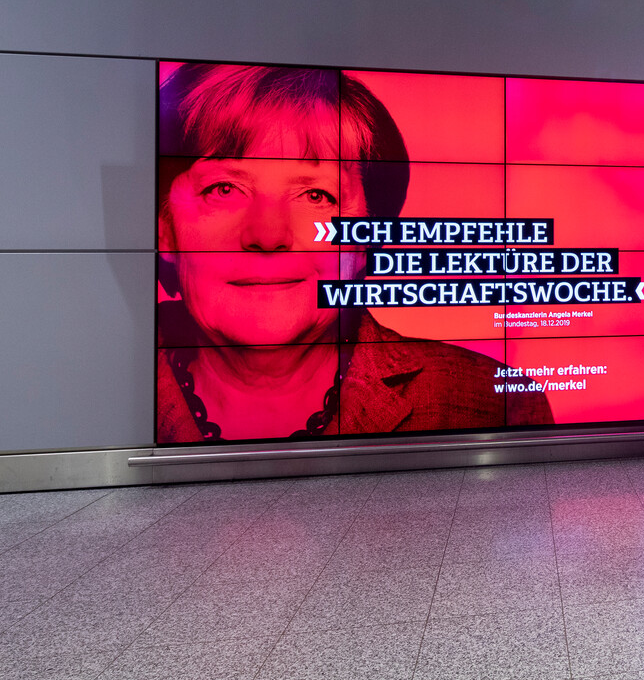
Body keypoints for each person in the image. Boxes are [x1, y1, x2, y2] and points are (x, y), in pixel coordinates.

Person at [156, 63, 553, 443]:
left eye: (315, 195)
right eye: (224, 190)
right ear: (165, 230)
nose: (268, 235)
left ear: (367, 238)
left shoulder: (494, 402)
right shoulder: (102, 387)